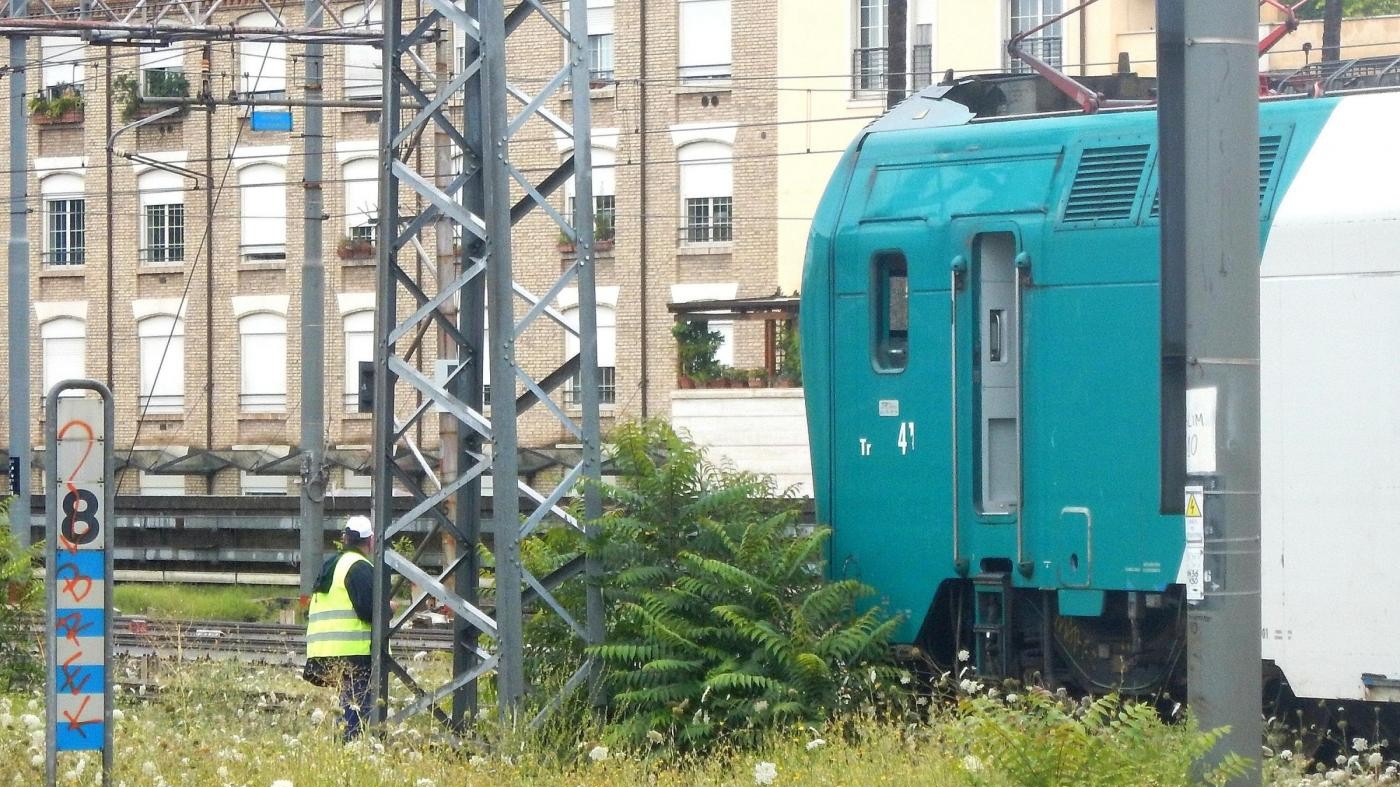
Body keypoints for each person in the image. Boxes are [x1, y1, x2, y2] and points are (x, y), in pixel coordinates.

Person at [303, 515, 374, 741]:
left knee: (346, 704)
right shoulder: (359, 566)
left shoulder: (331, 565)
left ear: (345, 539)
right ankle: (350, 748)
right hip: (354, 652)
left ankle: (344, 746)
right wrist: (389, 607)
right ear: (370, 541)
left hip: (324, 650)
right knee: (356, 705)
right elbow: (371, 610)